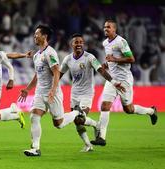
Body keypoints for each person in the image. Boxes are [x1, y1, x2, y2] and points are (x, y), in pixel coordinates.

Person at [18, 25, 84, 157]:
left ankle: (77, 111)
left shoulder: (50, 53)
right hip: (40, 93)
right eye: (35, 34)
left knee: (58, 124)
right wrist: (27, 89)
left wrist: (53, 91)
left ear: (44, 36)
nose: (34, 36)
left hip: (52, 93)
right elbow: (37, 76)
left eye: (37, 34)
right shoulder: (37, 55)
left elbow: (56, 72)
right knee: (34, 116)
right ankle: (35, 148)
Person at [90, 20, 158, 146]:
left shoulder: (121, 42)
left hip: (124, 80)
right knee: (105, 106)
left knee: (129, 109)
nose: (106, 29)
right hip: (112, 80)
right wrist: (107, 64)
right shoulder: (105, 43)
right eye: (104, 27)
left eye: (108, 27)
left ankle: (151, 111)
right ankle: (102, 138)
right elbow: (111, 60)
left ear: (114, 29)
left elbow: (131, 59)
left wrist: (115, 59)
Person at [59, 33, 125, 152]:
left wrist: (114, 82)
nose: (78, 44)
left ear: (83, 44)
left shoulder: (90, 57)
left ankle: (96, 125)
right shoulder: (67, 59)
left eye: (80, 42)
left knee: (80, 118)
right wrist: (51, 87)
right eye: (76, 42)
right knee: (77, 122)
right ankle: (88, 144)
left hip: (87, 93)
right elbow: (59, 74)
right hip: (74, 94)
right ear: (71, 44)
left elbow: (101, 70)